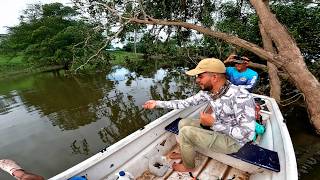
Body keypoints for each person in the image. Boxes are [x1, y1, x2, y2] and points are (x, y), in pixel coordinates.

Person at [143, 58, 256, 172]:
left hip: (233, 141)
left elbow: (248, 135)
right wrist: (157, 103)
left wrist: (214, 123)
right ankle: (185, 154)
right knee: (183, 123)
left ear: (214, 77)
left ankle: (189, 167)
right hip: (219, 127)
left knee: (185, 133)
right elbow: (184, 103)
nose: (197, 80)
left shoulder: (241, 96)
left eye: (200, 76)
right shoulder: (209, 92)